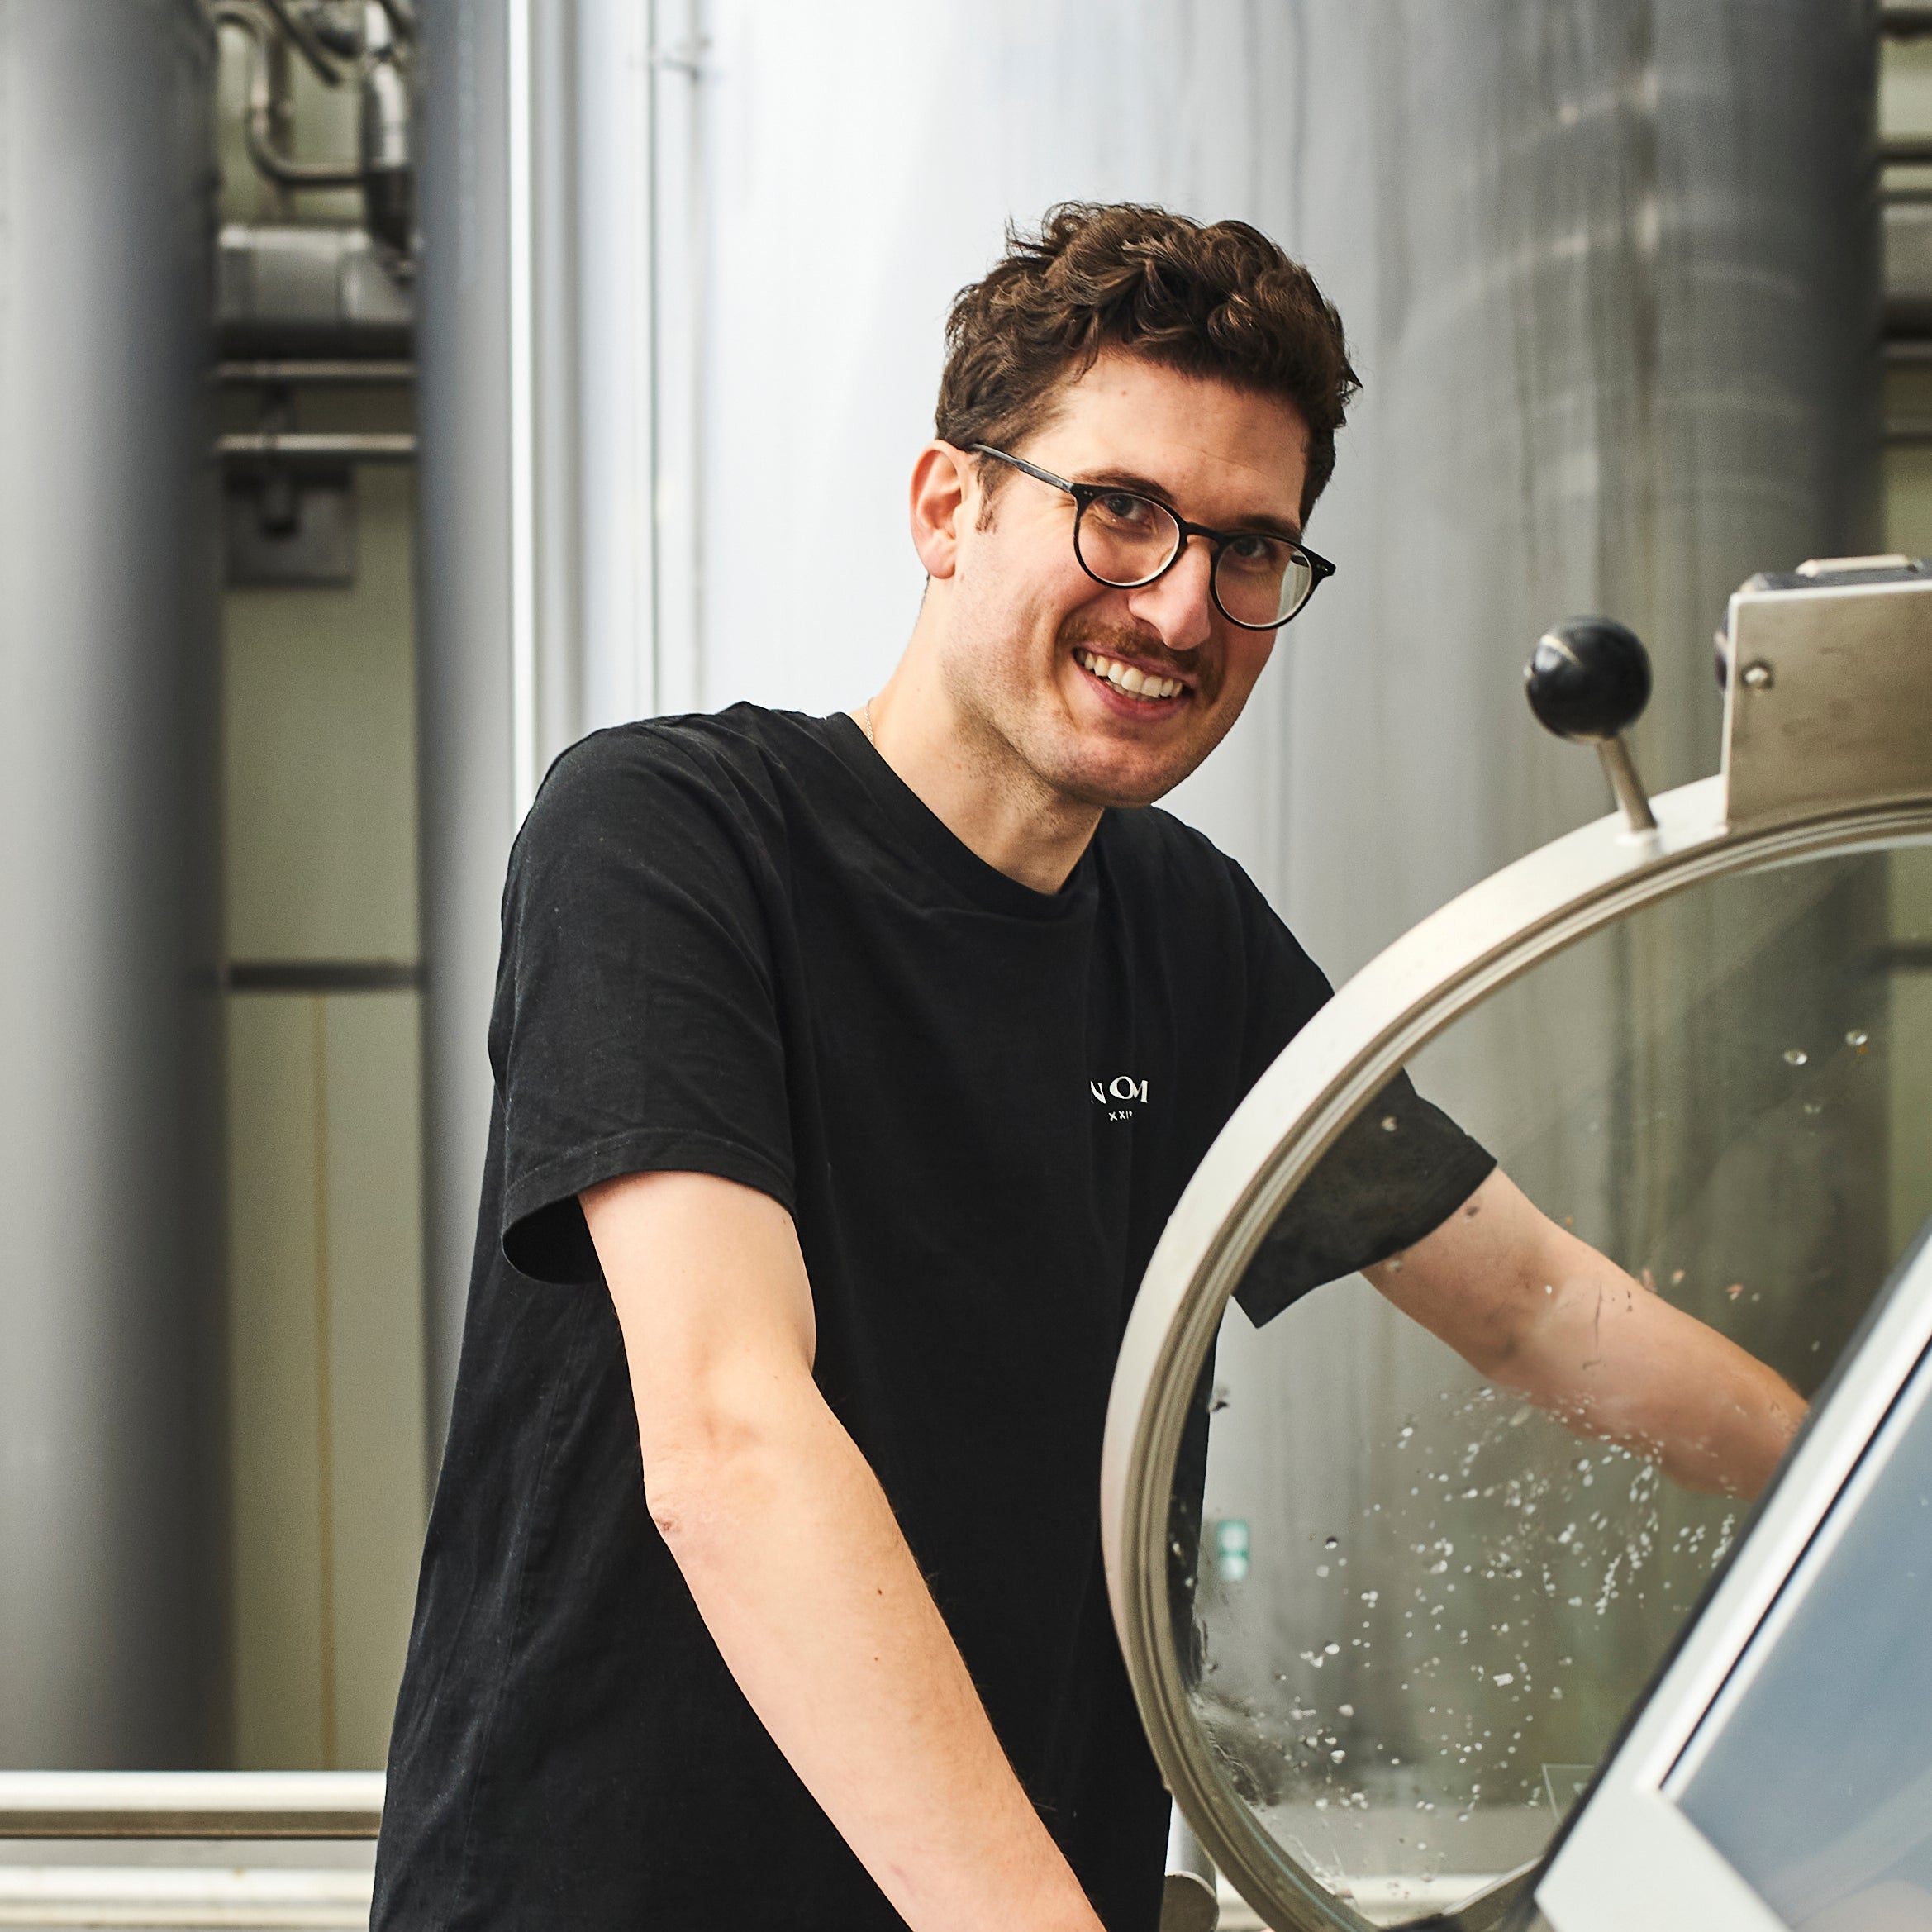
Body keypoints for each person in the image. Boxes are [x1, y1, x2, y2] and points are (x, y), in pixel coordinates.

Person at [371, 203, 1803, 1932]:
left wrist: (1854, 1492)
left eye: (1250, 547)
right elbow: (732, 1433)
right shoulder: (673, 839)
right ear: (946, 507)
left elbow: (1526, 1303)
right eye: (1119, 511)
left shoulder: (1182, 937)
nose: (1182, 605)